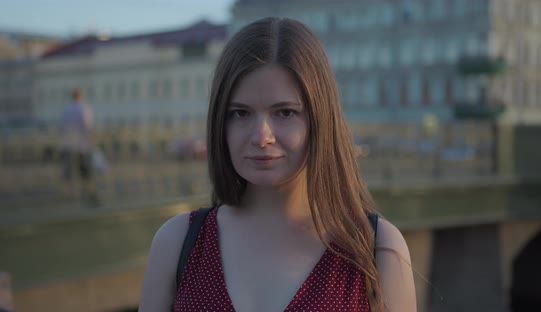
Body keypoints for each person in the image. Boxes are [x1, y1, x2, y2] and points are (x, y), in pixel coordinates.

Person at [139, 17, 416, 312]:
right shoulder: (178, 243)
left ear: (320, 119)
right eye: (240, 113)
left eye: (284, 112)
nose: (261, 136)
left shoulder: (377, 249)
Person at [61, 88, 98, 205]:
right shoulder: (84, 108)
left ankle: (68, 194)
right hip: (82, 145)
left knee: (69, 171)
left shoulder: (66, 109)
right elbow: (88, 126)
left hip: (68, 145)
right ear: (80, 96)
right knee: (85, 171)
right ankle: (87, 193)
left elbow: (63, 126)